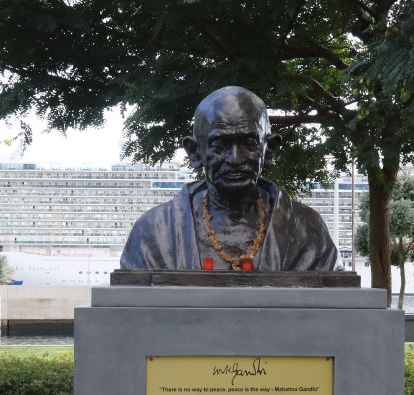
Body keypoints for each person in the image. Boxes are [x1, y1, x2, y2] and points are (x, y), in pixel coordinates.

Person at [120, 86, 339, 271]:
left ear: (269, 150)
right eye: (219, 145)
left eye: (249, 144)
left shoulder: (307, 229)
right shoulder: (153, 232)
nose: (235, 159)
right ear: (195, 152)